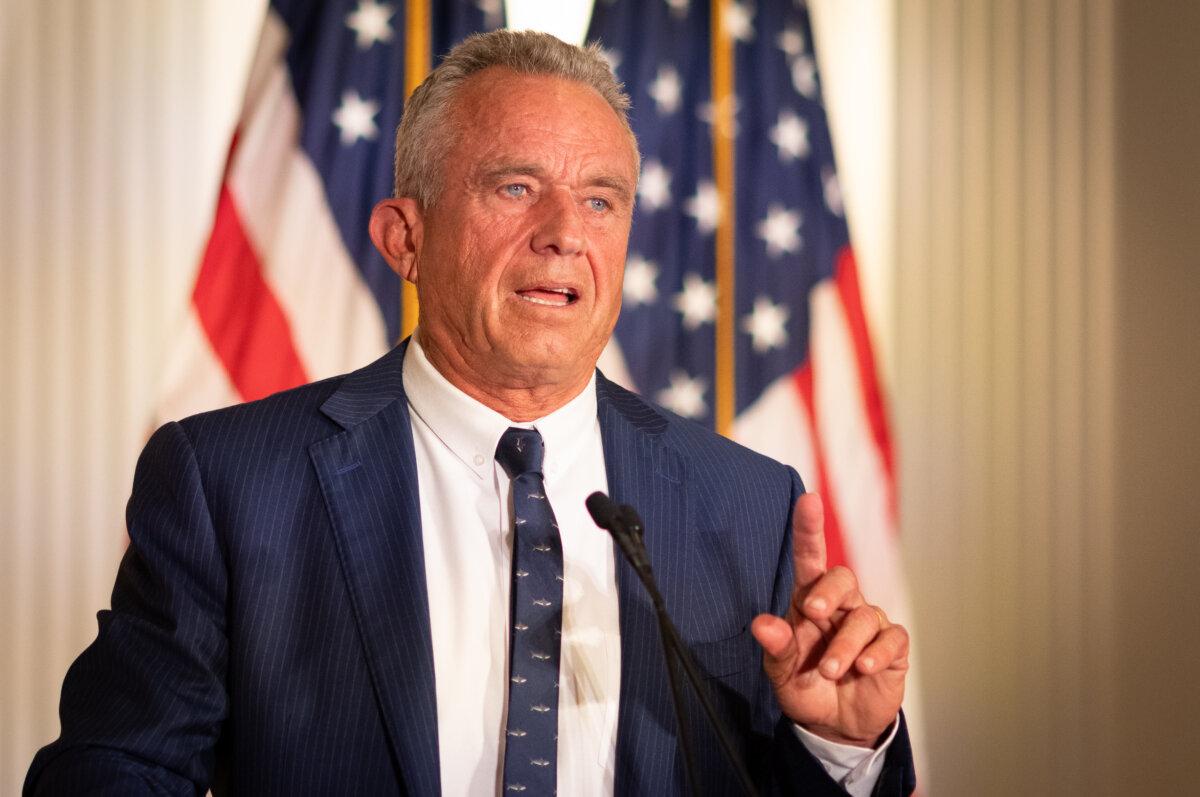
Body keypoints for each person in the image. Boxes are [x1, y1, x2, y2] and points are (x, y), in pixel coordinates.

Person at [26, 30, 914, 796]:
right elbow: (115, 767)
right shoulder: (230, 483)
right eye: (516, 187)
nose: (565, 231)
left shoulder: (747, 504)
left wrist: (840, 746)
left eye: (600, 199)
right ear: (404, 238)